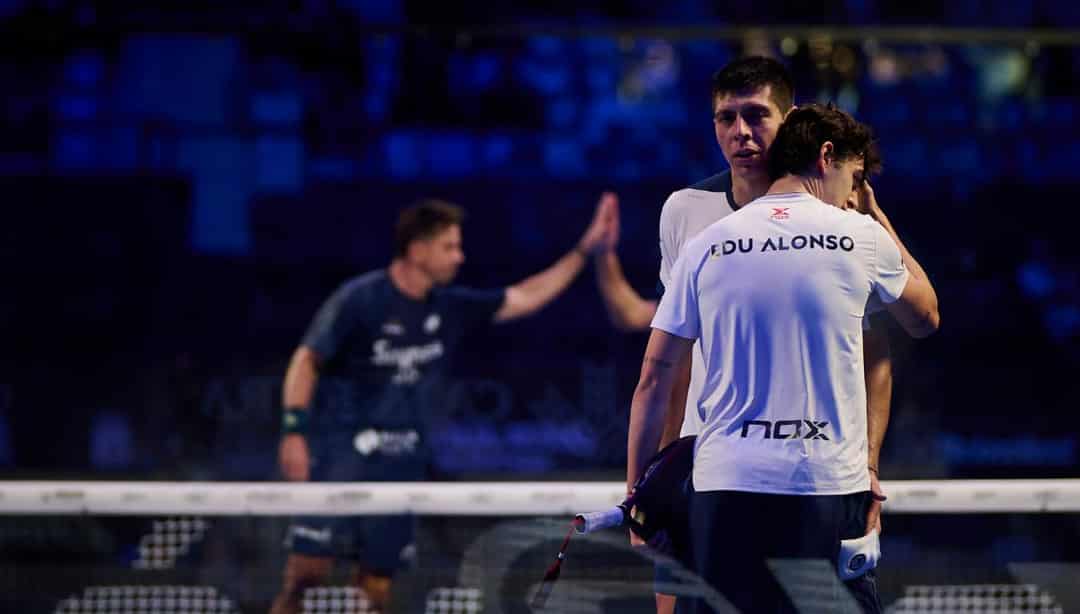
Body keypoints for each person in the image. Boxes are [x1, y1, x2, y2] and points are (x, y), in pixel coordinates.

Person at [594, 56, 894, 612]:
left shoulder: (842, 221)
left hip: (819, 477)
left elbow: (873, 355)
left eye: (756, 115)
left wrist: (870, 466)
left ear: (791, 119)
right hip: (715, 474)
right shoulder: (685, 212)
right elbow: (670, 360)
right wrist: (656, 485)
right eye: (725, 118)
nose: (741, 133)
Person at [269, 197, 613, 614]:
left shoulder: (450, 307)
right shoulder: (359, 300)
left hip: (402, 469)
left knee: (375, 592)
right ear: (417, 250)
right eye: (450, 247)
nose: (460, 256)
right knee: (304, 575)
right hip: (341, 459)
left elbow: (525, 297)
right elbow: (306, 360)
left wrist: (583, 251)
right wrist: (293, 431)